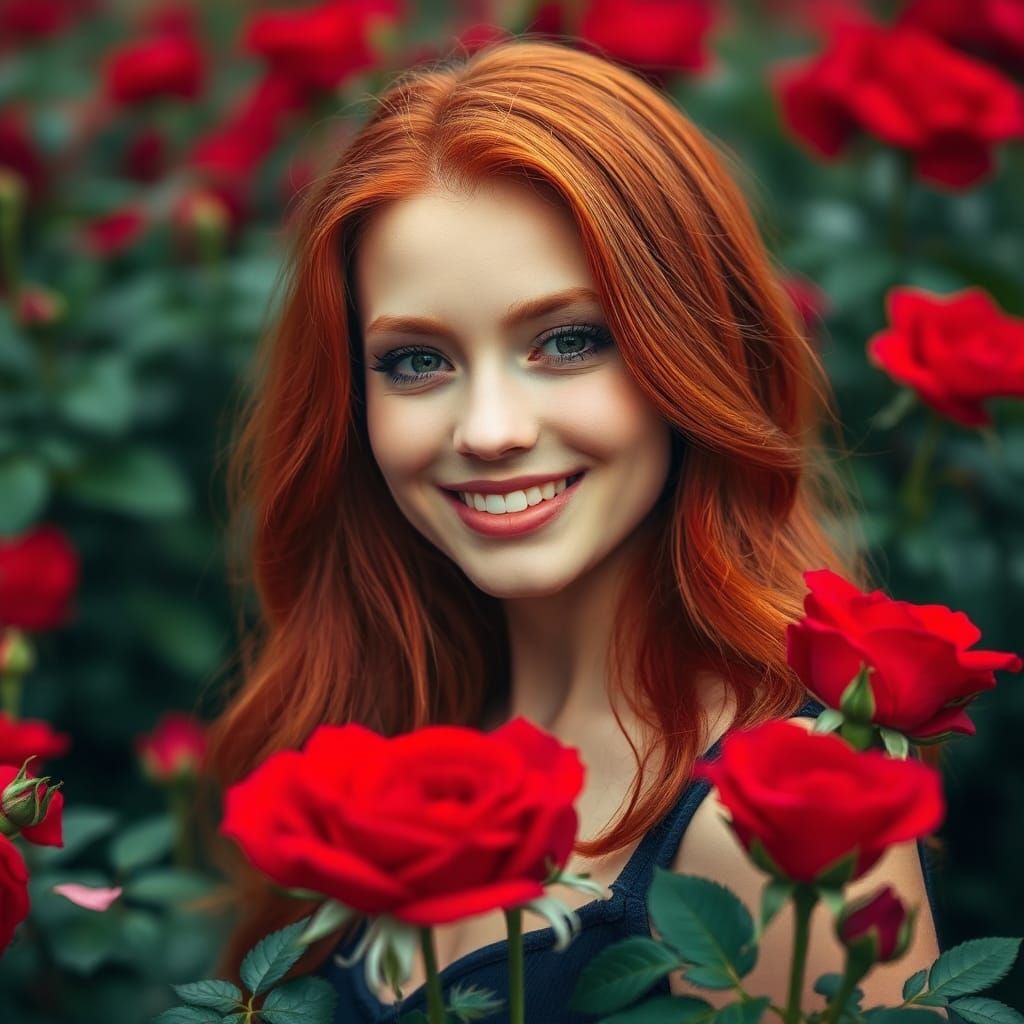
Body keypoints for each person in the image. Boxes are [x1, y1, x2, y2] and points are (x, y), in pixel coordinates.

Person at [203, 37, 943, 1022]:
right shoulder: (380, 733)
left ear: (693, 348)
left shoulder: (774, 825)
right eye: (417, 361)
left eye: (568, 340)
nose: (490, 430)